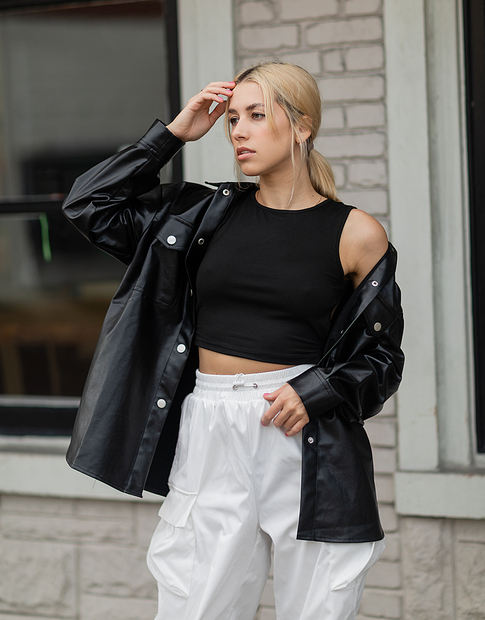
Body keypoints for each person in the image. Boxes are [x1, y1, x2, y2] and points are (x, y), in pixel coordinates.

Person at [63, 62, 404, 620]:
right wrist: (172, 134)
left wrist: (316, 390)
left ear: (302, 126)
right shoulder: (200, 215)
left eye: (256, 115)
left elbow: (383, 355)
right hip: (212, 425)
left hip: (303, 431)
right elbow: (89, 205)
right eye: (233, 117)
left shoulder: (355, 233)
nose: (237, 130)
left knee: (319, 608)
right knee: (193, 607)